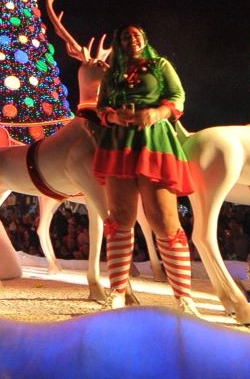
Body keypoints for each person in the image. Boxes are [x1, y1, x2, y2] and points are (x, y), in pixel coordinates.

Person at [93, 25, 197, 314]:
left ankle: (184, 297)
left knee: (164, 218)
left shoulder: (160, 64)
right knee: (121, 217)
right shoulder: (111, 73)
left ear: (145, 38)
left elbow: (178, 96)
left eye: (136, 34)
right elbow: (101, 108)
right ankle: (117, 291)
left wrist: (158, 113)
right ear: (119, 42)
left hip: (155, 140)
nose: (132, 38)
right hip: (119, 142)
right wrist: (113, 116)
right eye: (125, 35)